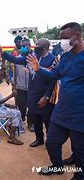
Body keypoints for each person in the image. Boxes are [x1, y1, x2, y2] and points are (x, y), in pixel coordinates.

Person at [27, 22, 84, 179]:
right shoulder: (65, 56)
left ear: (77, 36)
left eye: (65, 38)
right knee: (51, 143)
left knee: (80, 152)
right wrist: (38, 69)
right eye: (60, 38)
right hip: (61, 111)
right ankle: (57, 167)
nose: (62, 42)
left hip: (80, 115)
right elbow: (54, 76)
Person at [0, 38, 56, 147]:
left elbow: (53, 81)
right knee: (36, 118)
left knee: (47, 120)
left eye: (38, 45)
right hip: (33, 93)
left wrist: (46, 96)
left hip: (44, 95)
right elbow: (16, 60)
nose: (35, 47)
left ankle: (51, 142)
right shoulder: (33, 57)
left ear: (45, 47)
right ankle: (39, 139)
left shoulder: (52, 59)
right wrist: (3, 53)